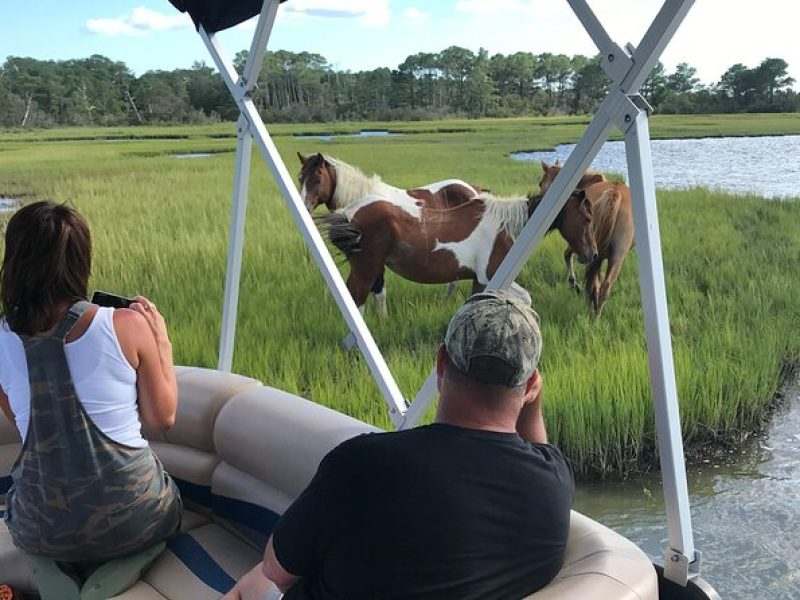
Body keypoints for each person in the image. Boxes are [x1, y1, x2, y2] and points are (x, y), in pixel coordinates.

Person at [224, 289, 575, 600]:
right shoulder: (553, 485)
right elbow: (540, 454)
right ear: (530, 386)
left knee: (256, 583)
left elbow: (278, 567)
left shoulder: (362, 464)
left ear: (440, 363)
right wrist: (533, 399)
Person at [0, 201, 182, 563]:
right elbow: (163, 419)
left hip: (40, 533)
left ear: (15, 262)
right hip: (138, 522)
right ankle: (124, 565)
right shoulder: (127, 325)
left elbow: (25, 427)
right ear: (81, 260)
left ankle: (60, 570)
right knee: (163, 500)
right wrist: (162, 342)